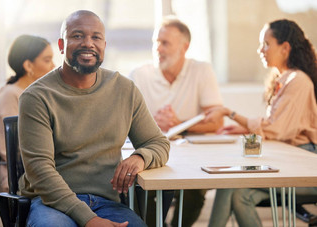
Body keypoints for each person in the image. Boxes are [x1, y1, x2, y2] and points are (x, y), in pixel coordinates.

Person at [18, 10, 170, 227]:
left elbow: (158, 143)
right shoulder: (36, 97)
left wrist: (140, 157)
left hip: (107, 202)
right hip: (52, 202)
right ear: (61, 45)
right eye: (78, 36)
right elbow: (40, 171)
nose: (88, 43)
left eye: (95, 37)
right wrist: (89, 220)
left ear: (104, 46)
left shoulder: (124, 89)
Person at [205, 19, 317, 227]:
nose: (260, 50)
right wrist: (244, 127)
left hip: (306, 168)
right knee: (238, 193)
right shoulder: (284, 80)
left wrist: (230, 113)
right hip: (289, 162)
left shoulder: (298, 81)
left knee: (230, 184)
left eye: (266, 44)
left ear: (285, 48)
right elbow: (277, 125)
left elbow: (276, 129)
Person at [130, 17, 223, 227]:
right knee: (145, 190)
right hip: (150, 151)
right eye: (156, 42)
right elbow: (123, 121)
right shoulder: (139, 75)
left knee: (196, 189)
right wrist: (151, 124)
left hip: (191, 155)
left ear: (184, 47)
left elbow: (216, 122)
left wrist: (181, 123)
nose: (158, 49)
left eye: (165, 43)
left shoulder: (202, 70)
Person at [0, 34, 55, 192]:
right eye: (47, 60)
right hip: (16, 176)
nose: (53, 66)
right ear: (28, 65)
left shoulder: (34, 94)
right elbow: (12, 150)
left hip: (35, 170)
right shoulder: (11, 96)